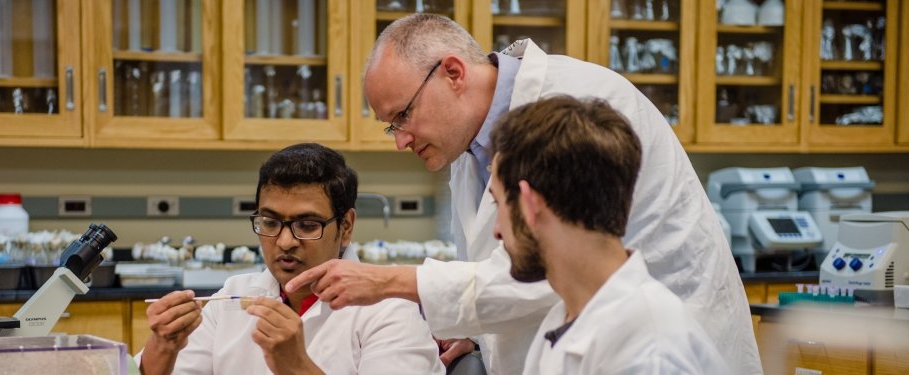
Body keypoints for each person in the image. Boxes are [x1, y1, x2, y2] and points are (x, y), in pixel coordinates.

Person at [286, 13, 761, 375]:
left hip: (646, 336)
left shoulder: (573, 106)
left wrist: (390, 282)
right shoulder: (472, 142)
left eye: (403, 116)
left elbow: (547, 261)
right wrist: (473, 331)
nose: (400, 139)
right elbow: (502, 264)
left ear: (453, 73)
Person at [137, 143, 444, 375]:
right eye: (270, 223)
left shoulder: (390, 311)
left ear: (346, 226)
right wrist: (163, 348)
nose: (285, 242)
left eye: (307, 225)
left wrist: (295, 366)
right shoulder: (230, 301)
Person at [489, 95, 729, 373]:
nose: (496, 230)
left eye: (498, 203)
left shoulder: (650, 353)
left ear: (530, 204)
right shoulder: (565, 318)